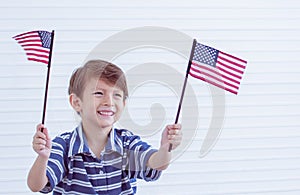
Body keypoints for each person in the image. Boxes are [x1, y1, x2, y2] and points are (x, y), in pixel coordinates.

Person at [27, 59, 182, 194]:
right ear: (76, 102)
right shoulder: (64, 147)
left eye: (117, 95)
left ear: (123, 103)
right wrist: (43, 157)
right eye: (99, 93)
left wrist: (165, 149)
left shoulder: (126, 144)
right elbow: (36, 185)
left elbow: (156, 162)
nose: (109, 101)